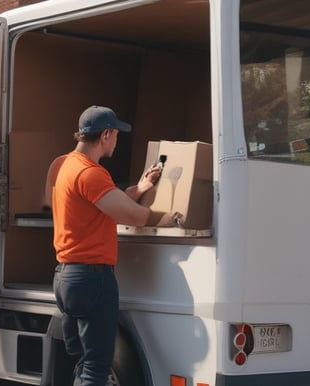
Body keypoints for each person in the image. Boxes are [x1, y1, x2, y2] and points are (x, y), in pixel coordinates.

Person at [51, 105, 183, 386]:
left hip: (66, 276)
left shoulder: (67, 166)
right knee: (97, 369)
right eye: (116, 135)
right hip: (91, 278)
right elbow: (130, 214)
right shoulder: (91, 173)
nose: (117, 140)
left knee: (84, 364)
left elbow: (105, 201)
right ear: (106, 134)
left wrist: (140, 189)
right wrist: (172, 218)